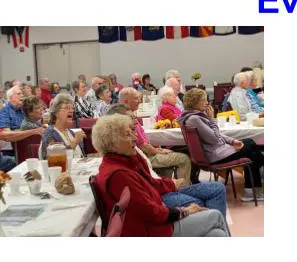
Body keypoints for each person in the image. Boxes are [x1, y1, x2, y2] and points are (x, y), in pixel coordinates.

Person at [92, 114, 229, 237]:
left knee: (216, 234)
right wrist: (184, 211)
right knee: (215, 216)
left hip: (155, 222)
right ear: (112, 143)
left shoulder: (124, 162)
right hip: (150, 231)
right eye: (128, 134)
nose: (135, 138)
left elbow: (149, 191)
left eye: (133, 132)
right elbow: (150, 212)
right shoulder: (119, 175)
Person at [179, 88, 263, 202]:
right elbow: (214, 138)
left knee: (252, 152)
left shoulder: (192, 116)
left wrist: (232, 141)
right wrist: (212, 118)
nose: (207, 103)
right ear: (195, 102)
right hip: (216, 156)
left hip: (218, 152)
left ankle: (251, 191)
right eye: (203, 100)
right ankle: (256, 183)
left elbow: (216, 135)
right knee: (251, 145)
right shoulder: (195, 119)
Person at [118, 87, 192, 184]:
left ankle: (166, 188)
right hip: (143, 156)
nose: (139, 101)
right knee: (184, 159)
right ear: (125, 100)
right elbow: (142, 146)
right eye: (136, 98)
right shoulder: (127, 117)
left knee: (169, 157)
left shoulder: (127, 115)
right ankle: (184, 189)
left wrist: (158, 150)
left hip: (146, 152)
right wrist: (158, 151)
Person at [39, 94, 86, 159]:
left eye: (72, 108)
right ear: (56, 112)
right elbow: (53, 156)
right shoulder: (49, 132)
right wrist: (75, 142)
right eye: (67, 107)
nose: (71, 111)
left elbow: (82, 158)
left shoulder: (72, 133)